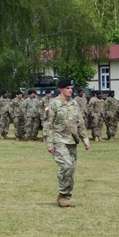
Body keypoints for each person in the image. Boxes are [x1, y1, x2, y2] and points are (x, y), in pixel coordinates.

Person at [43, 78, 90, 208]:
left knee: (72, 170)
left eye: (71, 88)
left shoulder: (74, 104)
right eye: (68, 88)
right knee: (67, 166)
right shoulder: (54, 104)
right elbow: (48, 125)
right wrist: (49, 144)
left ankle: (65, 197)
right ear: (61, 89)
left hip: (72, 141)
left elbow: (80, 122)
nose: (70, 91)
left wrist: (85, 139)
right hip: (58, 140)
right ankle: (63, 194)